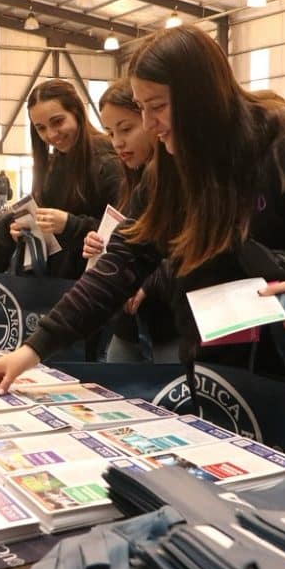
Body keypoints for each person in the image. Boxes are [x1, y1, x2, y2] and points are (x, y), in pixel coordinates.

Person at [0, 27, 285, 394]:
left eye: (158, 107)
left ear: (201, 97)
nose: (150, 125)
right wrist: (32, 349)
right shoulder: (171, 169)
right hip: (208, 367)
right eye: (142, 109)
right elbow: (121, 261)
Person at [0, 79, 122, 278]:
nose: (51, 135)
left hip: (93, 286)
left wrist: (70, 225)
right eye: (41, 128)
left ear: (77, 113)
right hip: (54, 285)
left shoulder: (108, 163)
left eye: (57, 122)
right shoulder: (52, 166)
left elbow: (126, 233)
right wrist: (22, 230)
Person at [80, 78, 177, 363]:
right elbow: (127, 244)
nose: (118, 142)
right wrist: (98, 244)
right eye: (110, 133)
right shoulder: (129, 183)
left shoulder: (174, 183)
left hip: (170, 328)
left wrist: (151, 282)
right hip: (128, 326)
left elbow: (185, 252)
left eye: (126, 129)